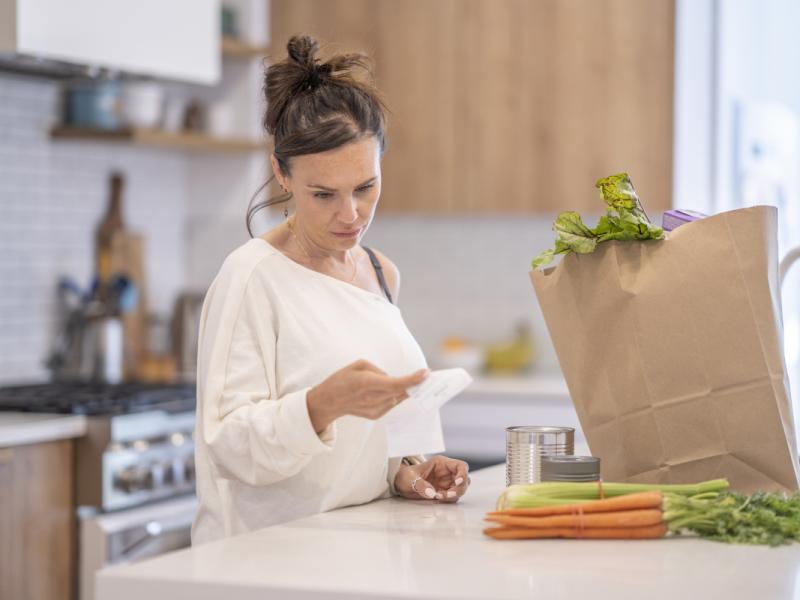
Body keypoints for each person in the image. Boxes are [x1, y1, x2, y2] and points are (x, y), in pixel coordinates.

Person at [191, 35, 470, 544]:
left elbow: (363, 446)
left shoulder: (381, 272)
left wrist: (405, 470)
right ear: (281, 173)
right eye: (324, 194)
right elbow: (228, 443)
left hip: (360, 549)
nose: (351, 214)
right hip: (267, 561)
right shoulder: (252, 278)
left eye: (365, 187)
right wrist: (321, 404)